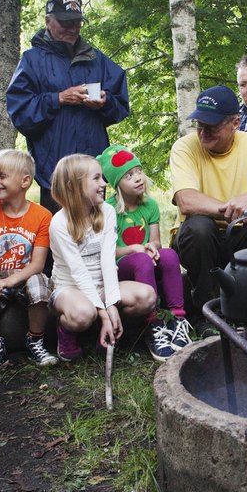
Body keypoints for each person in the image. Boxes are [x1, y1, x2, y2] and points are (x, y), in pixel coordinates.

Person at [169, 86, 247, 321]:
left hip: (240, 239)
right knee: (198, 227)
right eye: (199, 124)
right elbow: (186, 201)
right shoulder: (184, 148)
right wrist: (246, 213)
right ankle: (206, 310)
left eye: (212, 126)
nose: (203, 132)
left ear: (235, 123)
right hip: (203, 242)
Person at [6, 0, 130, 214]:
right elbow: (19, 111)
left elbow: (120, 104)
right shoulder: (32, 60)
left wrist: (105, 102)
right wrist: (58, 98)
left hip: (93, 168)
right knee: (58, 238)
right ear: (48, 21)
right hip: (54, 171)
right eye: (65, 23)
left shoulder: (97, 59)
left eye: (76, 22)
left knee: (96, 236)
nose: (72, 28)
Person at [47, 154, 160, 361]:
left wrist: (111, 305)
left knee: (147, 296)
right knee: (83, 313)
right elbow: (78, 272)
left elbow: (108, 262)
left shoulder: (106, 211)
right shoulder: (59, 223)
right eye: (97, 178)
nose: (104, 183)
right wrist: (103, 312)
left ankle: (107, 327)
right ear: (74, 186)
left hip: (101, 287)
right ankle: (66, 329)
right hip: (71, 288)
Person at [0, 149, 58, 380]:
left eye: (2, 176)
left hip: (24, 276)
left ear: (25, 181)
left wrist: (11, 280)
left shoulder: (42, 216)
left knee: (40, 284)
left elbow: (37, 264)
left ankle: (34, 340)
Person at [98, 144, 192, 358]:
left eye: (139, 171)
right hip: (124, 268)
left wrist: (153, 246)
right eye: (129, 175)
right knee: (141, 260)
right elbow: (109, 252)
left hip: (147, 260)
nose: (138, 178)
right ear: (117, 184)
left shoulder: (149, 205)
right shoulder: (109, 209)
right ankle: (153, 324)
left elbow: (156, 241)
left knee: (169, 255)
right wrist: (133, 249)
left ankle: (177, 319)